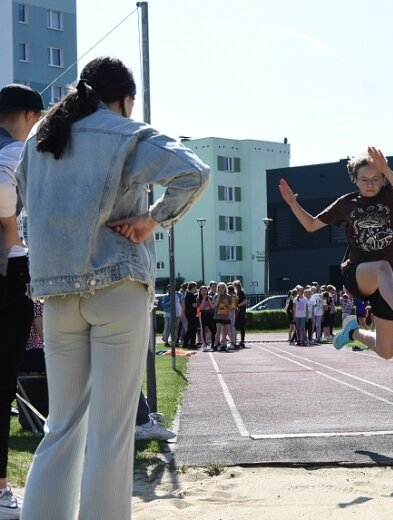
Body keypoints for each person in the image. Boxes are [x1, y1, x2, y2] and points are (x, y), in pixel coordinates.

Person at [16, 57, 209, 520]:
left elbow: (24, 199)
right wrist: (152, 219)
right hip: (116, 284)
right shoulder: (127, 133)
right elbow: (195, 172)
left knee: (61, 425)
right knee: (111, 430)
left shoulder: (39, 141)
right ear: (124, 99)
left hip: (57, 293)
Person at [279, 146, 393, 359]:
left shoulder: (391, 196)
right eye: (364, 179)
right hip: (356, 273)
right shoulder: (346, 203)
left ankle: (352, 331)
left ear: (384, 179)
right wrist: (293, 204)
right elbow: (311, 225)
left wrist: (386, 168)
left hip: (385, 284)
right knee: (381, 266)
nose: (370, 184)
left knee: (386, 351)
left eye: (376, 178)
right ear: (355, 180)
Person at [0, 82, 43, 519]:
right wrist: (12, 228)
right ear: (30, 117)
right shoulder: (16, 153)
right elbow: (2, 195)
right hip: (8, 271)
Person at [233, 280, 247, 347]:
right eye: (235, 285)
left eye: (237, 285)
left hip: (241, 312)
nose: (236, 287)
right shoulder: (236, 293)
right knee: (235, 326)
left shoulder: (241, 292)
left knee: (241, 327)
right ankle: (234, 340)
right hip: (236, 312)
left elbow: (245, 301)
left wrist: (238, 305)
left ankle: (242, 341)